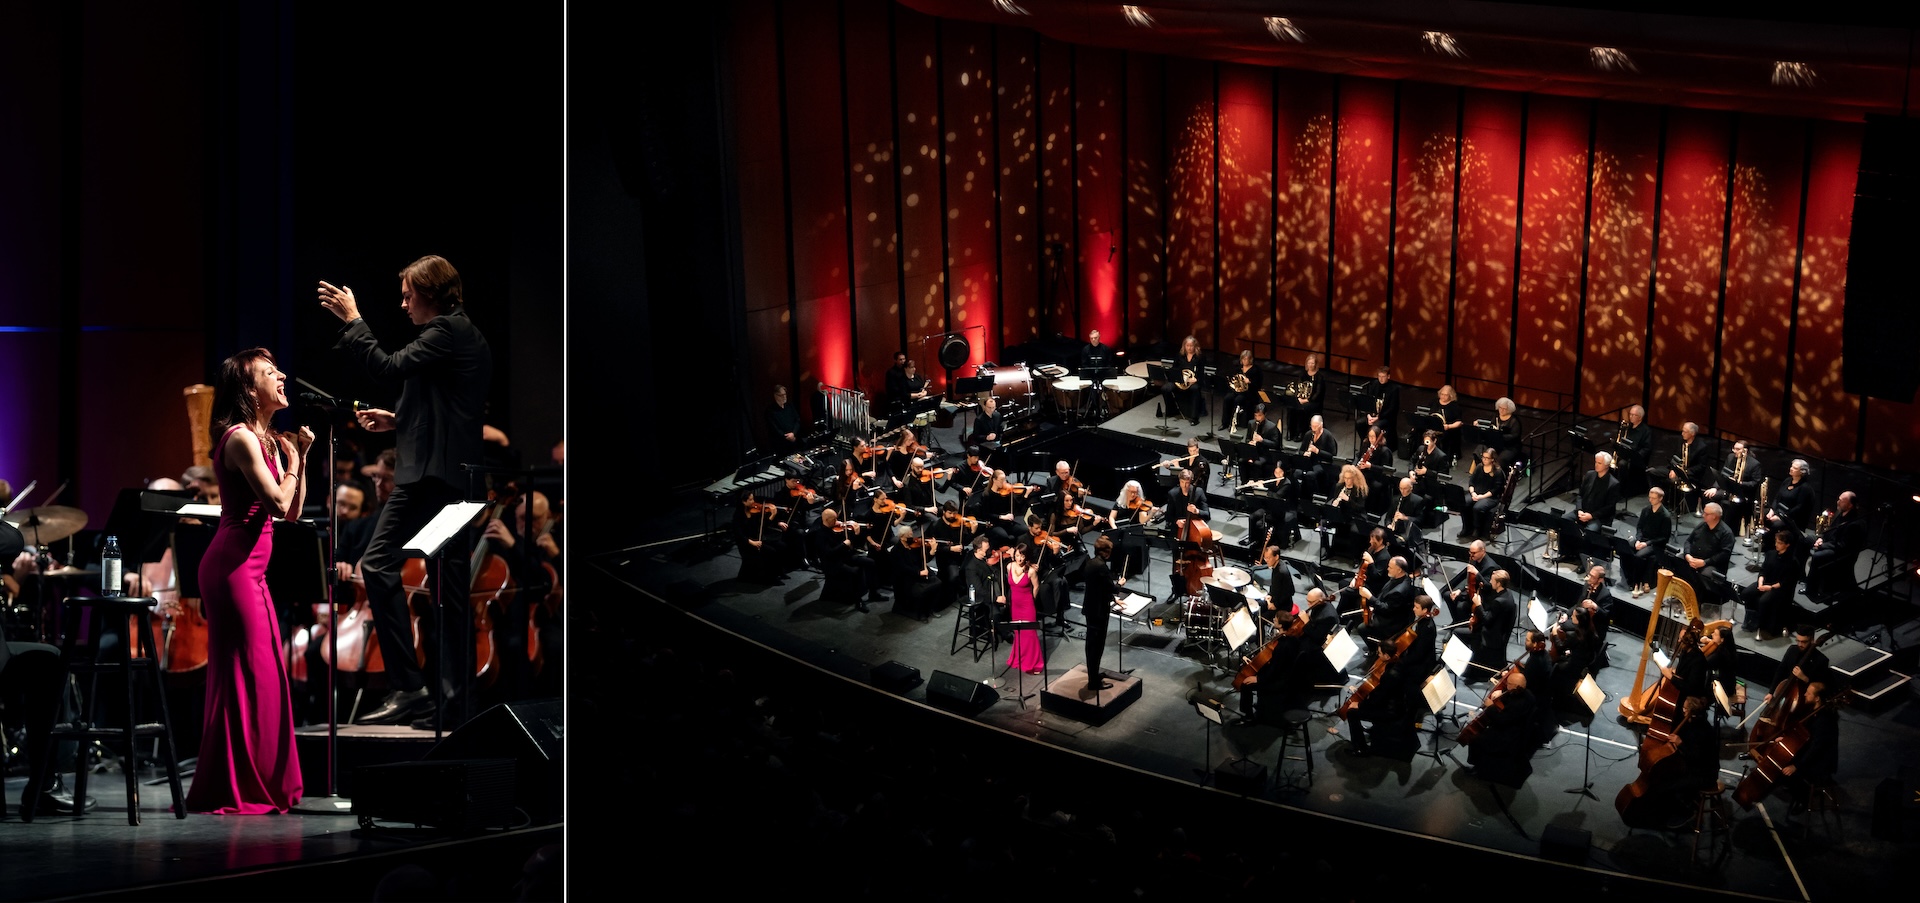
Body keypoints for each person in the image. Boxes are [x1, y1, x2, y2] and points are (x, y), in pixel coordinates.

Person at [320, 256, 492, 730]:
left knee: (377, 564)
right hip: (456, 479)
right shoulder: (465, 335)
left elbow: (386, 365)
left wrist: (354, 320)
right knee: (448, 593)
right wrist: (399, 421)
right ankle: (453, 704)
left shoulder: (445, 331)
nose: (402, 304)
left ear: (431, 293)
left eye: (408, 295)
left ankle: (411, 688)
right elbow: (454, 408)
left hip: (433, 481)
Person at [183, 348, 308, 814]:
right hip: (231, 569)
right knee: (245, 677)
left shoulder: (268, 440)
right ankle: (236, 785)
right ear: (248, 390)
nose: (281, 377)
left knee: (265, 674)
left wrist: (302, 457)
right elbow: (277, 503)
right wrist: (294, 466)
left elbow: (291, 513)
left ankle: (264, 782)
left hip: (251, 572)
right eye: (269, 373)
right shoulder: (239, 438)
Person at [1464, 671, 1537, 785]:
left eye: (1508, 684)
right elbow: (1509, 699)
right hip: (1518, 731)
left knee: (1475, 738)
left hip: (1508, 737)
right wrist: (1501, 694)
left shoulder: (1517, 704)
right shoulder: (1527, 694)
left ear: (1514, 686)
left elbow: (1501, 720)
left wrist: (1490, 707)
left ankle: (1477, 768)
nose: (1506, 686)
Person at [1552, 451, 1621, 566]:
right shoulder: (1590, 475)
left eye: (1599, 463)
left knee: (1590, 531)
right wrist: (1579, 510)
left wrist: (1591, 516)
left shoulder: (1613, 484)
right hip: (1582, 511)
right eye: (1596, 462)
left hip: (1598, 517)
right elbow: (1580, 495)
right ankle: (1566, 553)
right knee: (1564, 520)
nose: (1596, 465)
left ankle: (1582, 560)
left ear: (1606, 466)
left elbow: (1609, 507)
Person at [1741, 529, 1804, 641]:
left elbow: (1786, 582)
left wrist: (1769, 587)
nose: (1776, 545)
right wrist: (1760, 582)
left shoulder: (1793, 562)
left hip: (1780, 589)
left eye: (1780, 543)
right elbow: (1763, 570)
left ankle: (1761, 626)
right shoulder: (1770, 554)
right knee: (1746, 593)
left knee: (1763, 601)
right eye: (1776, 541)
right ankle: (1751, 620)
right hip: (1765, 582)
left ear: (1787, 545)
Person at [1805, 491, 1864, 599]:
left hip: (1840, 552)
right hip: (1829, 543)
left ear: (1850, 505)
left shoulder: (1854, 524)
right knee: (1806, 540)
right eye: (1839, 499)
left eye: (1841, 501)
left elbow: (1843, 545)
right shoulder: (1839, 513)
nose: (1838, 502)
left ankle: (1811, 589)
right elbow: (1829, 530)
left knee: (1817, 556)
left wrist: (1822, 546)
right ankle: (1801, 575)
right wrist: (1821, 539)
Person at [1082, 536, 1119, 690]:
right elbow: (1111, 587)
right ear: (1105, 552)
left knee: (1092, 645)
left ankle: (1094, 674)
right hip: (1098, 611)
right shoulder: (1102, 567)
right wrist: (1119, 585)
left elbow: (1098, 587)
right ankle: (1094, 682)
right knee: (1096, 647)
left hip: (1091, 608)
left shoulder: (1090, 562)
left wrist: (1113, 599)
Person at [1682, 502, 1737, 604]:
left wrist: (1704, 562)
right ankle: (1682, 596)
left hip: (1712, 564)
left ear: (1714, 517)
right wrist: (1687, 555)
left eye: (1706, 514)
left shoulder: (1726, 533)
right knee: (1677, 562)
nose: (1703, 515)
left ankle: (1696, 602)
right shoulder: (1702, 525)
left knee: (1705, 575)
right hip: (1694, 558)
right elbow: (1688, 541)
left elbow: (1724, 555)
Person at [1467, 569, 1516, 678]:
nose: (1490, 581)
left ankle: (1472, 670)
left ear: (1498, 583)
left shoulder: (1499, 601)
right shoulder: (1507, 594)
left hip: (1493, 636)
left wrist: (1478, 604)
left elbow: (1487, 621)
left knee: (1470, 635)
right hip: (1500, 630)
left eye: (1492, 580)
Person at [1625, 487, 1672, 597]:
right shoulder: (1646, 510)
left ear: (1660, 499)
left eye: (1653, 498)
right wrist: (1638, 540)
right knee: (1625, 547)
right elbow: (1640, 527)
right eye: (1649, 497)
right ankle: (1628, 576)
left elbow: (1664, 537)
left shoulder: (1665, 516)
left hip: (1655, 544)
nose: (1650, 500)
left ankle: (1636, 581)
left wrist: (1646, 544)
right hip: (1643, 540)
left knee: (1639, 556)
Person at [1004, 546, 1045, 674]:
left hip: (1027, 606)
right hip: (1015, 606)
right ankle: (1019, 659)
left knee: (1030, 634)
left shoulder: (1031, 571)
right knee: (1019, 633)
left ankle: (1035, 663)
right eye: (1017, 555)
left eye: (1022, 556)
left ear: (1026, 556)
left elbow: (1036, 587)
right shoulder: (1009, 566)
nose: (1019, 559)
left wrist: (1031, 600)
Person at [1162, 335, 1206, 425]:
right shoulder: (1180, 355)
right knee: (1165, 388)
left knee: (1195, 389)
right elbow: (1174, 369)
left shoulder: (1199, 357)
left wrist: (1195, 379)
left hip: (1192, 382)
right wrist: (1177, 378)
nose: (1189, 348)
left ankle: (1194, 418)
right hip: (1180, 381)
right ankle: (1172, 410)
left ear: (1195, 346)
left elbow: (1201, 373)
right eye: (1187, 346)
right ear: (1184, 346)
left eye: (1191, 346)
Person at [1462, 447, 1504, 540]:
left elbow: (1495, 490)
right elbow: (1471, 482)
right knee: (1463, 502)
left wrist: (1481, 497)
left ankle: (1477, 529)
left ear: (1492, 459)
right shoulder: (1479, 467)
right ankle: (1466, 527)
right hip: (1476, 493)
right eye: (1483, 457)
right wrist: (1473, 493)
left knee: (1477, 508)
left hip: (1490, 497)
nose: (1484, 459)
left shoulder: (1498, 472)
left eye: (1486, 458)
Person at [1358, 364, 1400, 453]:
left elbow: (1392, 409)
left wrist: (1377, 418)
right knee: (1359, 423)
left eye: (1383, 376)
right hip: (1373, 415)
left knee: (1375, 427)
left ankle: (1377, 447)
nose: (1381, 379)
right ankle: (1366, 443)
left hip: (1385, 417)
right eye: (1379, 376)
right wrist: (1369, 415)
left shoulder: (1394, 389)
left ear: (1388, 376)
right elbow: (1369, 401)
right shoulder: (1375, 384)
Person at [1220, 349, 1264, 432]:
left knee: (1238, 400)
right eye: (1243, 359)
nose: (1244, 361)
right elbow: (1233, 379)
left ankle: (1233, 423)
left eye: (1246, 359)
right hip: (1237, 390)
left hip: (1249, 393)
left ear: (1250, 359)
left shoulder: (1256, 370)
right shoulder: (1238, 368)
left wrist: (1250, 382)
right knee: (1227, 398)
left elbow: (1258, 385)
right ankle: (1224, 422)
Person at [1299, 415, 1339, 495]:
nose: (1313, 429)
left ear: (1321, 425)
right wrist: (1304, 453)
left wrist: (1317, 451)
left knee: (1310, 475)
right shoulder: (1308, 434)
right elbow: (1300, 450)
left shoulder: (1328, 436)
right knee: (1297, 472)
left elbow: (1332, 455)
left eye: (1316, 426)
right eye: (1312, 426)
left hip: (1322, 463)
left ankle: (1313, 495)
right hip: (1309, 461)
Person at [766, 384, 804, 455]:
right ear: (776, 396)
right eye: (781, 395)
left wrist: (793, 433)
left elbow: (797, 420)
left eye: (785, 394)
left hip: (794, 439)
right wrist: (787, 436)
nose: (784, 397)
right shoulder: (771, 411)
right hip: (781, 444)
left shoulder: (789, 405)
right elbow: (774, 428)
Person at [1433, 384, 1464, 461]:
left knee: (1445, 436)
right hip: (1435, 427)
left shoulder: (1454, 406)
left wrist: (1448, 426)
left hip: (1449, 429)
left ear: (1450, 396)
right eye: (1441, 394)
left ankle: (1444, 457)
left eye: (1445, 395)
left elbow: (1459, 422)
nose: (1443, 396)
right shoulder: (1435, 403)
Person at [1490, 397, 1522, 469]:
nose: (1501, 410)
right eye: (1500, 408)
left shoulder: (1514, 421)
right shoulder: (1496, 416)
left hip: (1510, 446)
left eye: (1504, 409)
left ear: (1509, 410)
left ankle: (1498, 475)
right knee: (1482, 451)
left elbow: (1515, 436)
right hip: (1497, 444)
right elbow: (1491, 426)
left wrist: (1500, 436)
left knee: (1501, 459)